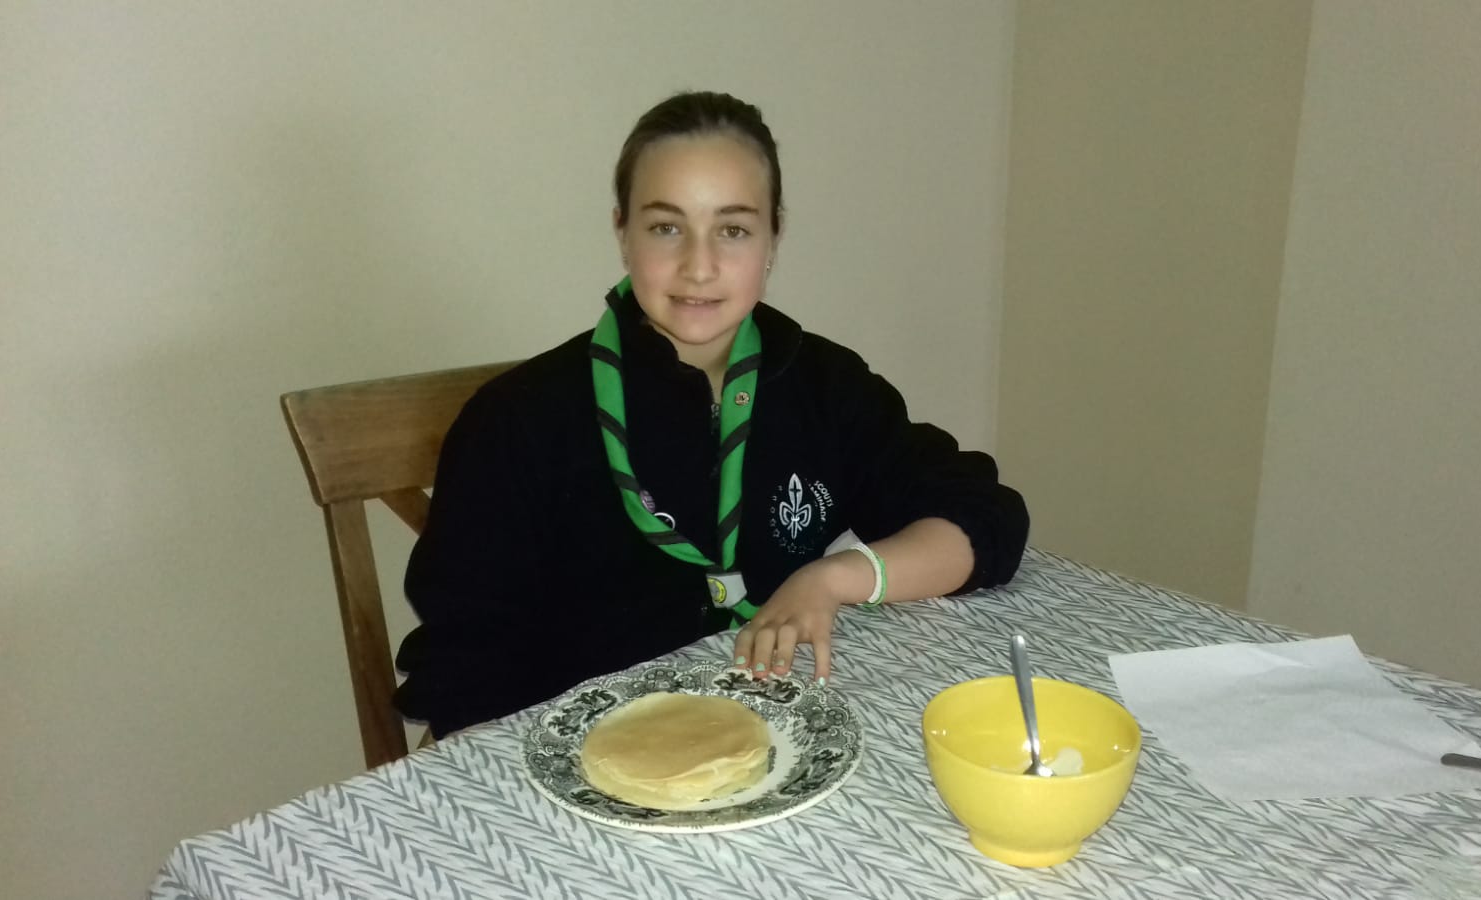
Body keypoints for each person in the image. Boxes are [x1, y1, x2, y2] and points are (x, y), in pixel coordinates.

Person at [395, 91, 1029, 737]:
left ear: (774, 236)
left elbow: (983, 519)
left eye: (733, 229)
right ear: (622, 233)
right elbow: (465, 674)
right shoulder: (516, 422)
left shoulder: (827, 385)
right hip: (584, 754)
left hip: (781, 731)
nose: (699, 267)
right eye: (666, 227)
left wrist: (833, 578)